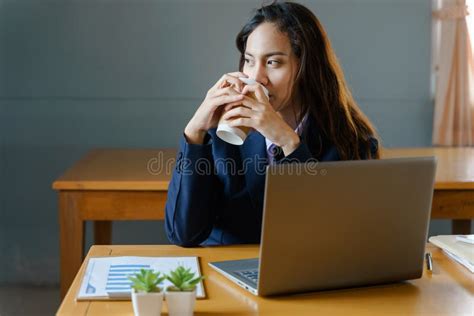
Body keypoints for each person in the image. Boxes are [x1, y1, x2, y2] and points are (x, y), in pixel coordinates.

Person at [165, 1, 380, 247]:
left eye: (273, 62)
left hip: (307, 278)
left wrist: (289, 143)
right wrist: (194, 133)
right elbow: (184, 234)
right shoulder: (222, 134)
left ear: (305, 68)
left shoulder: (351, 141)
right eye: (249, 60)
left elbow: (336, 237)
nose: (256, 78)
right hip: (226, 273)